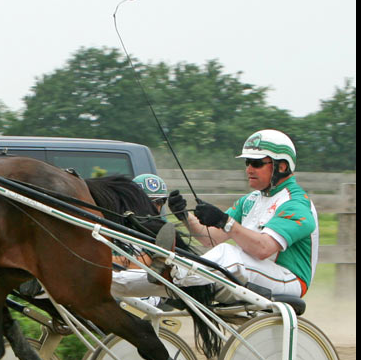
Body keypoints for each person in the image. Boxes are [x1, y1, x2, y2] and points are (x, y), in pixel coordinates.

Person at [116, 129, 318, 301]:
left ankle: (175, 270)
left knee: (228, 255)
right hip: (250, 271)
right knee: (216, 258)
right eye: (247, 162)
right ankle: (113, 283)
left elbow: (263, 249)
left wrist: (224, 221)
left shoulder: (296, 204)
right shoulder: (249, 200)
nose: (248, 169)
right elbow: (209, 239)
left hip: (289, 280)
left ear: (281, 166)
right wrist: (185, 217)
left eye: (256, 163)